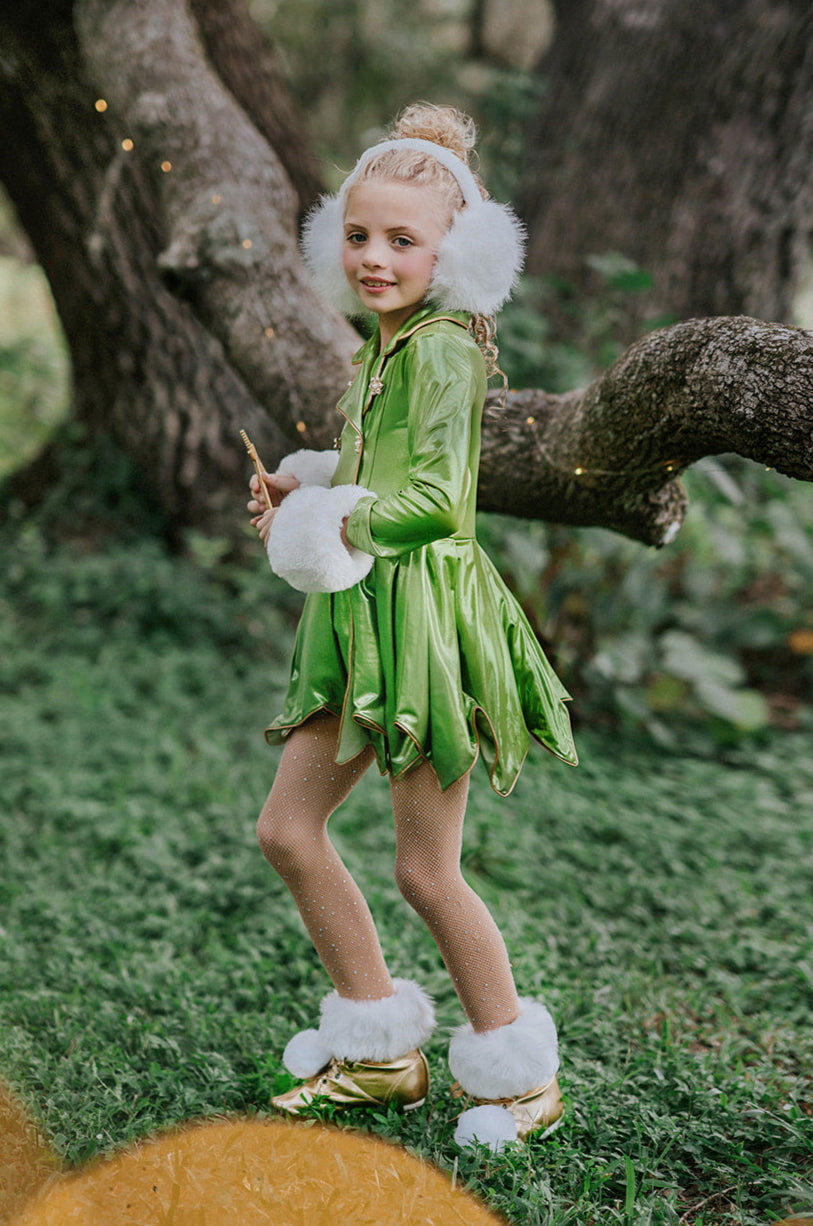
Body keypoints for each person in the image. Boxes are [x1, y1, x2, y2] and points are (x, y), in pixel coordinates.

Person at [247, 103, 578, 1151]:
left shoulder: (440, 351)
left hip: (428, 628)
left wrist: (322, 518)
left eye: (403, 240)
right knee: (288, 831)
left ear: (456, 253)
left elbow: (435, 501)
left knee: (427, 869)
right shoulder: (379, 348)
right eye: (357, 235)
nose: (375, 258)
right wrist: (305, 484)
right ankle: (384, 1052)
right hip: (361, 617)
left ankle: (523, 1079)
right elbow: (372, 480)